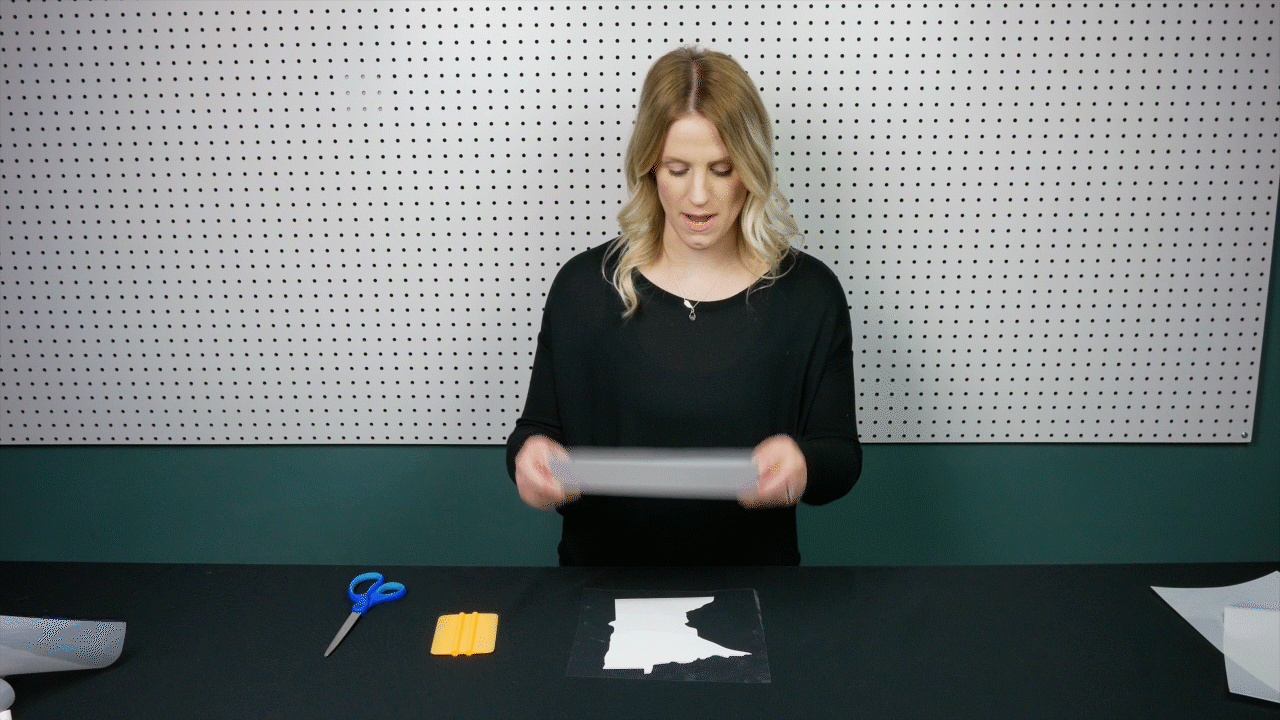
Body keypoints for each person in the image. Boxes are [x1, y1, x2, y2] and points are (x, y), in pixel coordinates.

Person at [504, 46, 861, 566]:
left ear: (751, 168)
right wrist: (532, 457)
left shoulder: (809, 295)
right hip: (600, 589)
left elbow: (841, 458)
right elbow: (536, 430)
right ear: (649, 167)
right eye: (677, 169)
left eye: (721, 169)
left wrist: (802, 465)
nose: (698, 196)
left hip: (757, 591)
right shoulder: (582, 288)